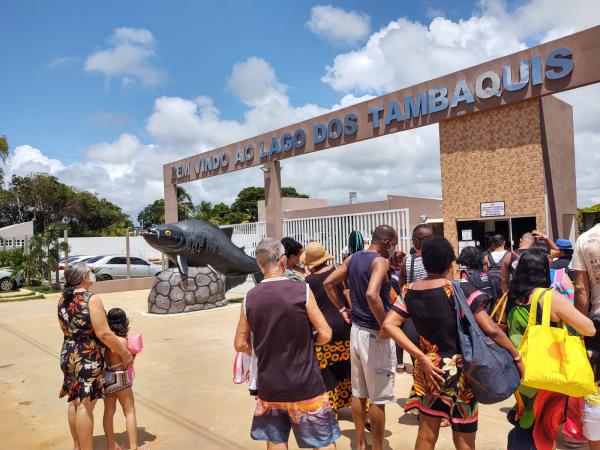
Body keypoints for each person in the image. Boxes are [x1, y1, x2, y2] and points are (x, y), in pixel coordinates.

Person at [381, 237, 523, 450]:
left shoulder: (408, 290)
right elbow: (492, 329)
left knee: (427, 433)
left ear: (425, 263)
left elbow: (389, 325)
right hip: (461, 371)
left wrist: (420, 356)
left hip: (429, 370)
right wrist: (516, 355)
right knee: (464, 434)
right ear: (450, 263)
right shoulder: (459, 288)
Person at [234, 238, 340, 449]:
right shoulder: (302, 291)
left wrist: (260, 348)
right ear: (283, 261)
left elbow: (240, 343)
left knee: (275, 438)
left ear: (259, 264)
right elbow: (326, 333)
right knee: (321, 440)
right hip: (305, 382)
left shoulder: (250, 298)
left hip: (270, 385)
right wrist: (311, 343)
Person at [506, 250, 596, 449]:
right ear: (544, 271)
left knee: (527, 420)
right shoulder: (548, 298)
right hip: (546, 375)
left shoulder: (512, 297)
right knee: (542, 431)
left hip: (522, 372)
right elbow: (588, 329)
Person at [324, 225, 398, 450]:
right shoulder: (380, 261)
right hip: (374, 335)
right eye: (394, 243)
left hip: (356, 331)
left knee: (359, 392)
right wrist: (384, 324)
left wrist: (342, 309)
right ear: (387, 243)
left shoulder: (353, 258)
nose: (395, 248)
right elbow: (372, 294)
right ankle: (376, 447)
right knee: (378, 397)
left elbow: (329, 283)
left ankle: (359, 443)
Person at [58, 263, 132, 450]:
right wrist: (124, 353)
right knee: (85, 405)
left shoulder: (63, 298)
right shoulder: (91, 299)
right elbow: (104, 333)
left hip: (68, 352)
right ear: (84, 277)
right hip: (86, 355)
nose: (93, 275)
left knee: (74, 401)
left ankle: (77, 446)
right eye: (90, 272)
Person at [302, 241, 353, 415]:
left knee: (328, 369)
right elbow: (347, 293)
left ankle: (333, 410)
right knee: (348, 365)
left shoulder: (308, 281)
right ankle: (361, 409)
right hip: (344, 323)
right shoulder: (338, 270)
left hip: (323, 328)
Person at [571, 221, 600, 448]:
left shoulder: (586, 239)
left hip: (596, 326)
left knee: (595, 390)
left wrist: (581, 329)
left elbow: (581, 290)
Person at [103, 308, 147, 450]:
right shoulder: (122, 341)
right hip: (121, 377)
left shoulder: (104, 341)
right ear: (124, 323)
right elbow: (127, 363)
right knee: (129, 411)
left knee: (108, 413)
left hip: (107, 377)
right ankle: (133, 446)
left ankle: (111, 445)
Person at [395, 224, 432, 373]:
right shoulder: (440, 258)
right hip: (434, 314)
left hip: (413, 315)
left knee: (417, 360)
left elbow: (402, 286)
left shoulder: (407, 261)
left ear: (414, 242)